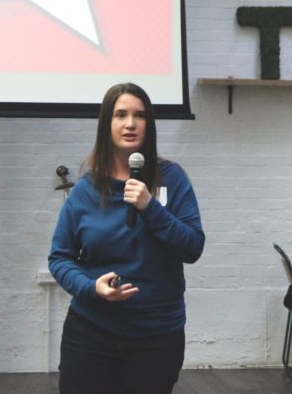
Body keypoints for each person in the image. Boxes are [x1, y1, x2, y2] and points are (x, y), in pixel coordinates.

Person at [48, 82, 205, 394]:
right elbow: (60, 257)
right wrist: (90, 288)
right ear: (107, 123)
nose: (131, 123)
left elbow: (193, 247)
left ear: (149, 124)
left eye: (140, 115)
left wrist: (151, 208)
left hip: (157, 336)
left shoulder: (171, 179)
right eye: (121, 115)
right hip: (91, 332)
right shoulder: (86, 189)